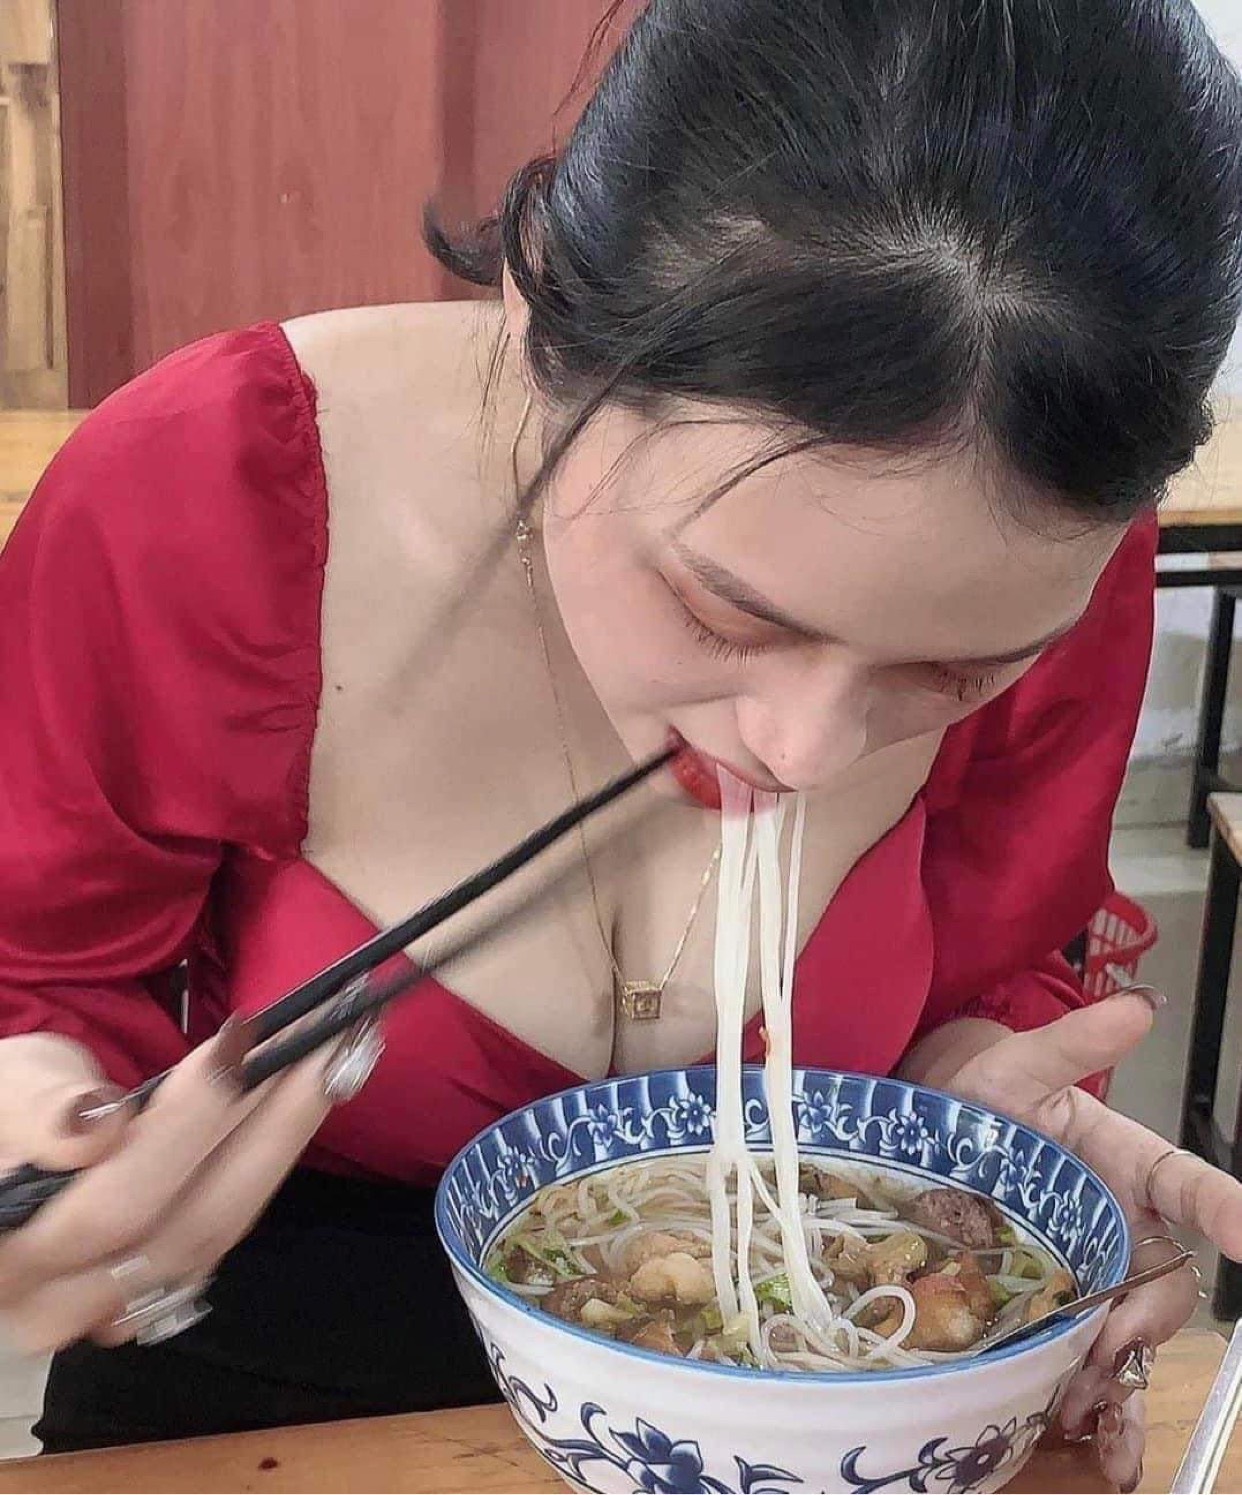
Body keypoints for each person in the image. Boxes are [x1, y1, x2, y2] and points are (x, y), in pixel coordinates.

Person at [0, 0, 1239, 1482]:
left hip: (821, 1406)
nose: (804, 748)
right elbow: (42, 974)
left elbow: (989, 968)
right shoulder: (204, 495)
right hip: (270, 1388)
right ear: (546, 334)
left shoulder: (1040, 567)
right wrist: (41, 1116)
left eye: (951, 672)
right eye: (721, 610)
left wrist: (980, 1127)